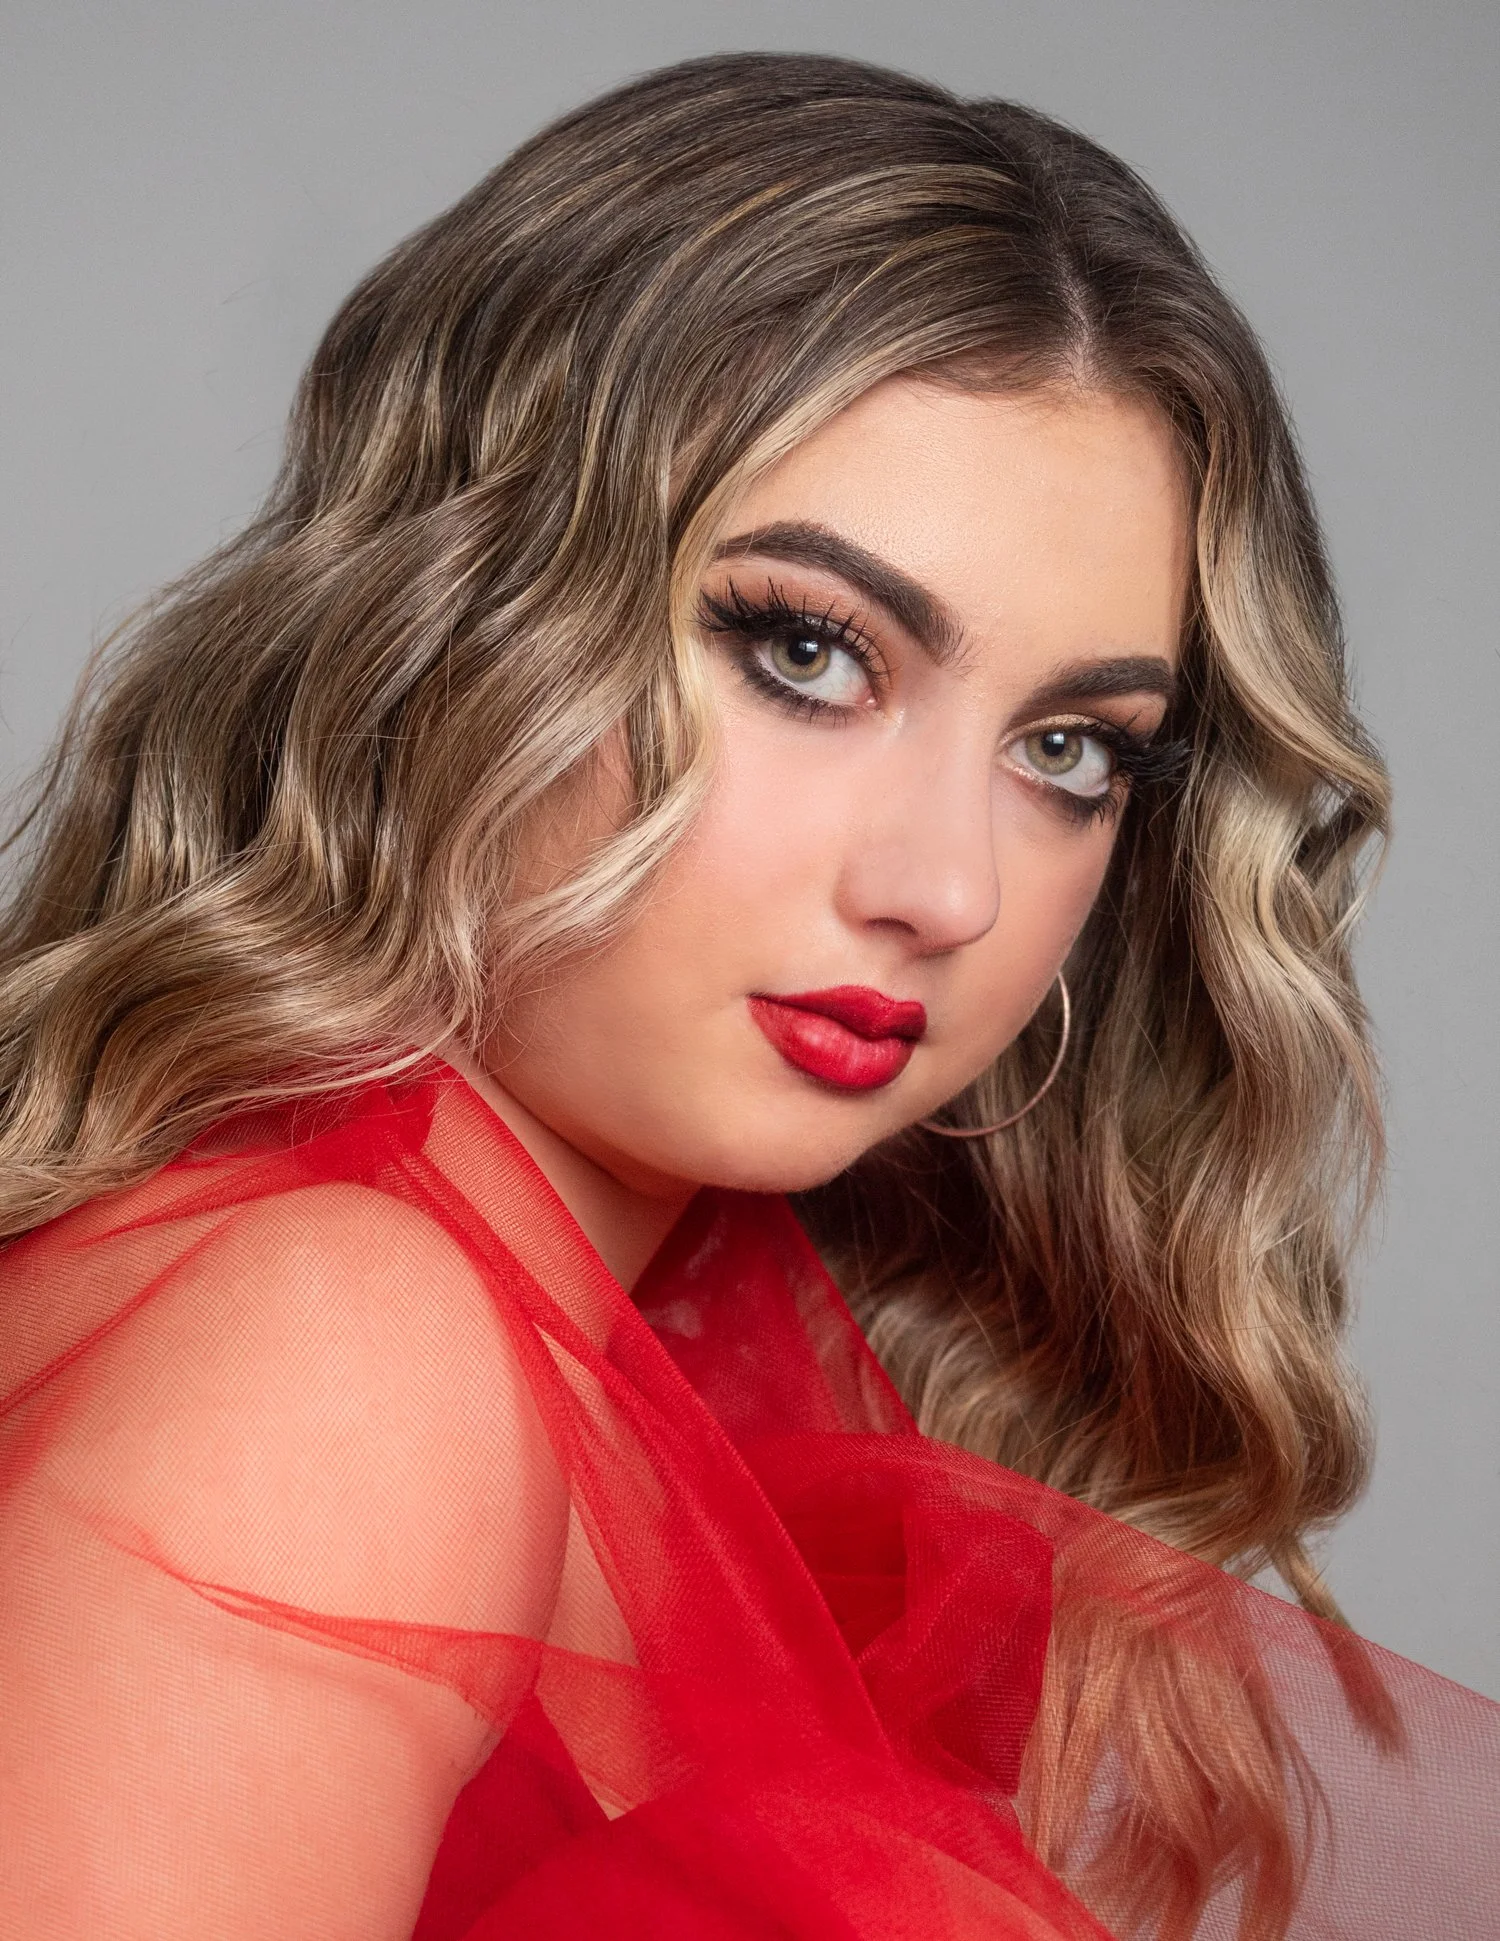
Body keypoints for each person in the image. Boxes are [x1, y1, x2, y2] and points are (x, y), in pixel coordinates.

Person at [0, 50, 1494, 1941]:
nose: (944, 888)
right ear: (456, 617)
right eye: (807, 649)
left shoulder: (671, 1390)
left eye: (1071, 752)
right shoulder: (337, 1346)